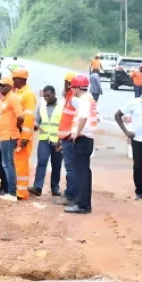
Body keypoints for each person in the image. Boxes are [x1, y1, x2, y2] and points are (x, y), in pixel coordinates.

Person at [65, 74, 97, 214]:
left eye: (73, 87)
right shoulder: (90, 98)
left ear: (77, 87)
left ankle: (82, 204)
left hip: (82, 139)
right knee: (85, 173)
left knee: (81, 174)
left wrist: (76, 133)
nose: (72, 90)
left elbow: (83, 118)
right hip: (88, 139)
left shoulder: (83, 100)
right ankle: (84, 203)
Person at [29, 85, 64, 197]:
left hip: (57, 140)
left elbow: (65, 123)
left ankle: (55, 188)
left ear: (54, 94)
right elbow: (37, 120)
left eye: (49, 96)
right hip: (44, 139)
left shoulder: (62, 106)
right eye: (45, 96)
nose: (47, 98)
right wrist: (36, 125)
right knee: (41, 163)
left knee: (56, 165)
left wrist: (62, 139)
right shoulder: (42, 105)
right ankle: (37, 187)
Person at [0, 77, 23, 202]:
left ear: (10, 87)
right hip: (3, 135)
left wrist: (15, 127)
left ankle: (12, 193)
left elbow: (20, 116)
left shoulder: (13, 98)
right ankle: (11, 191)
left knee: (7, 164)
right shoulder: (4, 99)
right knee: (6, 163)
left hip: (9, 135)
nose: (1, 88)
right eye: (0, 85)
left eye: (3, 85)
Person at [12, 68, 37, 200]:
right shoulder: (18, 92)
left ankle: (21, 192)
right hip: (17, 133)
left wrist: (25, 138)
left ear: (20, 80)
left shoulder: (28, 94)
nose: (12, 81)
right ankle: (17, 189)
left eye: (14, 79)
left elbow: (29, 117)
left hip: (23, 135)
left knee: (22, 163)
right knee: (16, 162)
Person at [56, 71, 77, 205]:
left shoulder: (74, 99)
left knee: (71, 168)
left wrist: (70, 135)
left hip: (70, 138)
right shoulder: (69, 97)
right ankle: (71, 194)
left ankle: (70, 195)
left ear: (69, 84)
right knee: (70, 168)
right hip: (66, 137)